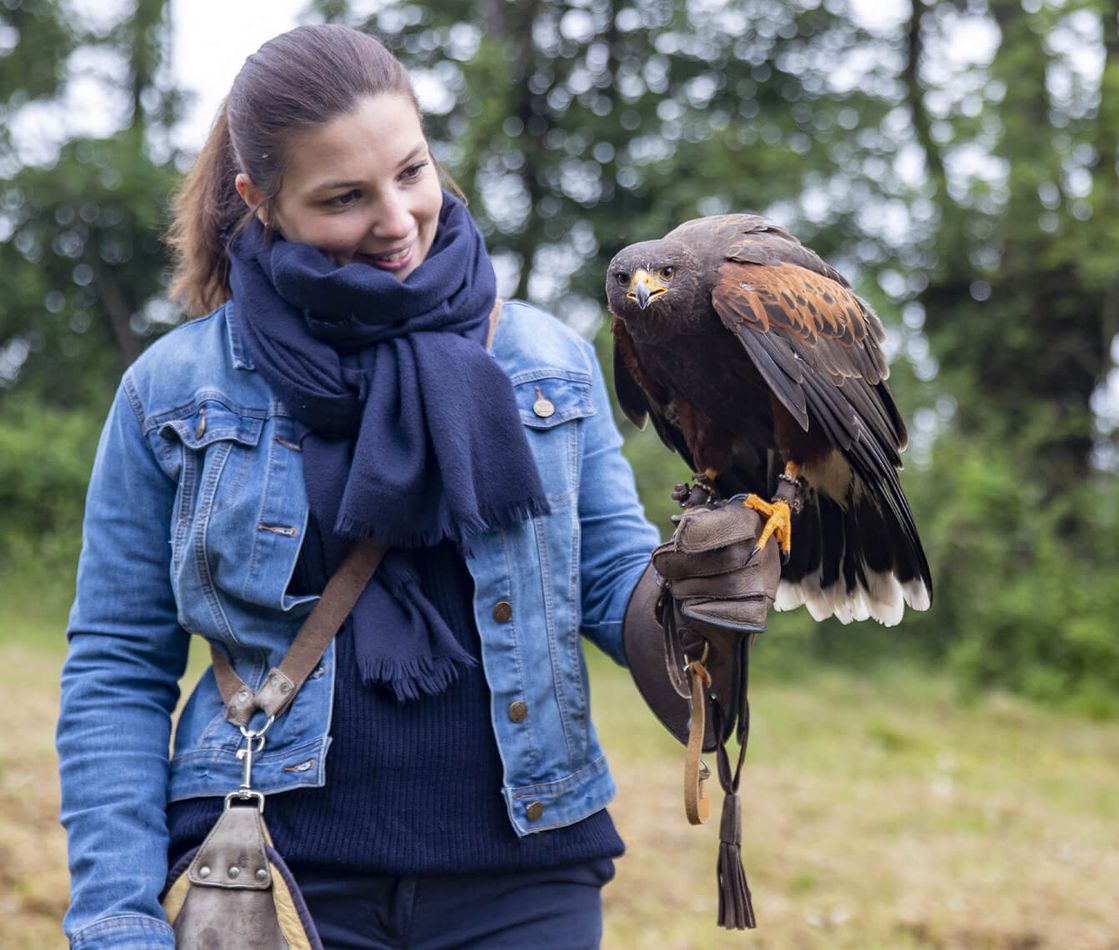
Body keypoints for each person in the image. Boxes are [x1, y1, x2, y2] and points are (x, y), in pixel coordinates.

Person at [55, 23, 777, 950]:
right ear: (259, 201)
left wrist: (695, 593)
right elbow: (117, 665)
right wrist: (115, 918)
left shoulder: (544, 360)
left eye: (412, 172)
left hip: (525, 878)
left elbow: (604, 578)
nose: (397, 221)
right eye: (344, 197)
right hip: (268, 874)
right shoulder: (176, 389)